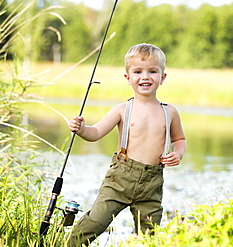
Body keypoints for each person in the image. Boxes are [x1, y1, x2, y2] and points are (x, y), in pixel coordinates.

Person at [67, 43, 186, 246]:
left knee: (149, 235)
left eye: (153, 71)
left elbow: (179, 140)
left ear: (162, 77)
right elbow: (95, 133)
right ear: (128, 78)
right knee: (96, 221)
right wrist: (81, 130)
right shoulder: (122, 110)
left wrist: (178, 153)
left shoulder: (170, 112)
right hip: (120, 180)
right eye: (138, 71)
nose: (145, 76)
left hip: (152, 183)